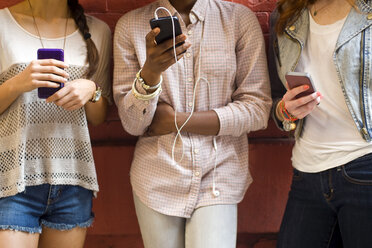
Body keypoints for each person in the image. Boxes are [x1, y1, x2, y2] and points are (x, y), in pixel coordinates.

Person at [113, 0, 272, 247]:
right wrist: (151, 72)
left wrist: (176, 121)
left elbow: (257, 108)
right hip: (157, 175)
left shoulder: (238, 20)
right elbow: (133, 124)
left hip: (219, 172)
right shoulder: (130, 26)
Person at [0, 0, 111, 247]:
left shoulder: (99, 31)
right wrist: (18, 82)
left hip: (72, 181)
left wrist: (92, 90)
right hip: (13, 182)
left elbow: (98, 117)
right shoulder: (2, 24)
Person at [268, 0, 372, 247]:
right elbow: (275, 98)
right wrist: (285, 110)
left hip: (365, 167)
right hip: (308, 172)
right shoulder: (286, 16)